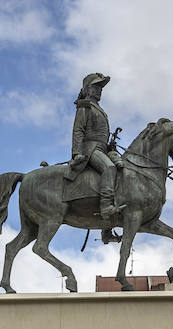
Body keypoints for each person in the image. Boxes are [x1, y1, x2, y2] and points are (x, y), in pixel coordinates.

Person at [69, 72, 123, 222]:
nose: (99, 90)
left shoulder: (99, 109)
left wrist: (110, 146)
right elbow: (78, 130)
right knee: (109, 168)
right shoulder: (85, 106)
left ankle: (107, 228)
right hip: (90, 149)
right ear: (87, 89)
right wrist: (76, 153)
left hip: (102, 149)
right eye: (96, 86)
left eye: (101, 87)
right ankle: (106, 207)